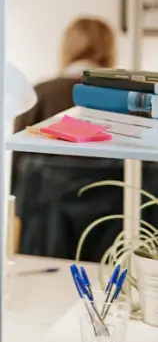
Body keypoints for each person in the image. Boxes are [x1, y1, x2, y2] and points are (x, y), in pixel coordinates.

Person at [14, 16, 158, 260]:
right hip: (117, 237)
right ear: (109, 50)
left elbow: (17, 170)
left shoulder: (38, 95)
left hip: (46, 236)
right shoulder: (130, 100)